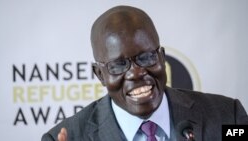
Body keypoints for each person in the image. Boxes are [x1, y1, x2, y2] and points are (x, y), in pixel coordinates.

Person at [41, 5, 248, 141]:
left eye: (146, 57)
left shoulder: (229, 118)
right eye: (119, 64)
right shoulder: (71, 136)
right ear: (100, 75)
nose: (136, 73)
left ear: (161, 57)